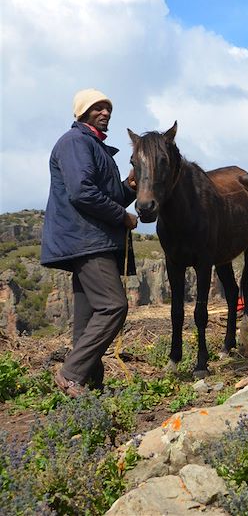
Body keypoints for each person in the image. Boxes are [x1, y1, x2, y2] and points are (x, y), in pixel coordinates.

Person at [41, 88, 138, 397]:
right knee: (113, 306)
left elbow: (110, 194)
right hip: (87, 240)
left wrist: (131, 186)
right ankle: (70, 373)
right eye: (97, 108)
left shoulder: (93, 146)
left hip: (92, 239)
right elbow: (82, 192)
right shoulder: (75, 143)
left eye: (107, 108)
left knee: (88, 318)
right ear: (81, 112)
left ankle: (89, 385)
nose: (105, 112)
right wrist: (122, 216)